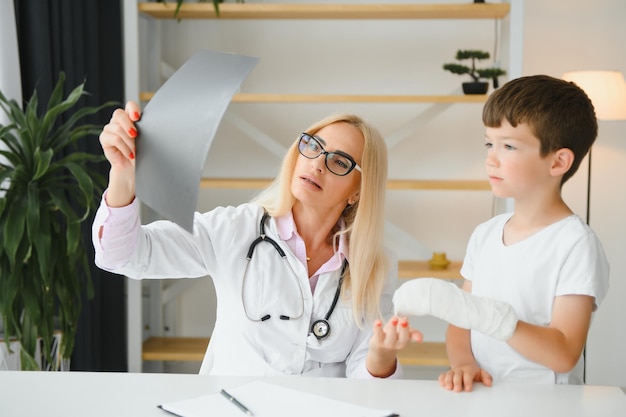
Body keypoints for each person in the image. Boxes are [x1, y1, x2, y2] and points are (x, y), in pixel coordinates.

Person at [93, 101, 421, 378]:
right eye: (312, 146)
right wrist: (122, 174)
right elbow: (124, 255)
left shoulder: (374, 265)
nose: (317, 164)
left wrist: (380, 355)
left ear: (357, 192)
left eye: (338, 161)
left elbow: (365, 384)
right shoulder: (235, 229)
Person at [393, 75, 610, 390]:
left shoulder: (576, 244)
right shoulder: (486, 234)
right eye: (489, 143)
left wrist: (494, 319)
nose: (490, 158)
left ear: (558, 161)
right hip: (486, 397)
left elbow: (564, 354)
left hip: (546, 407)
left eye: (508, 146)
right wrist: (464, 364)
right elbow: (461, 324)